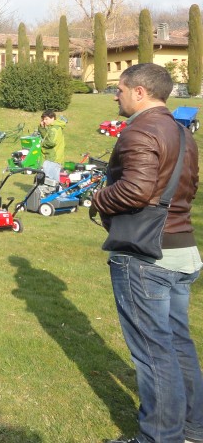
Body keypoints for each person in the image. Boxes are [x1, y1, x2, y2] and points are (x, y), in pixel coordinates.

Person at [91, 63, 203, 443]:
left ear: (139, 92)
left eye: (120, 89)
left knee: (154, 353)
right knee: (177, 344)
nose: (116, 96)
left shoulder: (140, 129)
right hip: (182, 250)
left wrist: (99, 198)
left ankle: (159, 437)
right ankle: (193, 429)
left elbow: (135, 190)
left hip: (147, 256)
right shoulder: (183, 133)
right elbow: (189, 188)